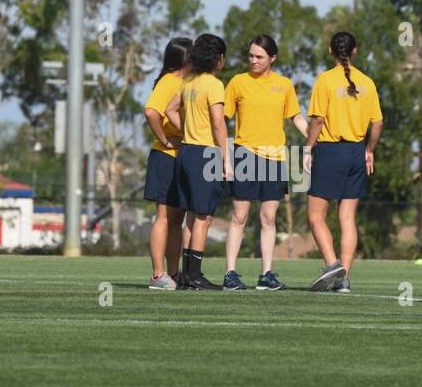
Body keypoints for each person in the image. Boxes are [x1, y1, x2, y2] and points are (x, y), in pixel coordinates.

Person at [222, 34, 307, 291]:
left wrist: (316, 140)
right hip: (244, 154)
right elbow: (221, 120)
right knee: (239, 216)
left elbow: (297, 118)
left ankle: (266, 274)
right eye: (251, 55)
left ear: (272, 58)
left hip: (277, 157)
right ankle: (230, 274)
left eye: (259, 56)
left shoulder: (284, 85)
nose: (254, 61)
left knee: (269, 218)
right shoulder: (237, 82)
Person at [304, 31, 383, 294]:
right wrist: (369, 150)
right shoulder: (368, 82)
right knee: (347, 217)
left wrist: (307, 149)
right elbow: (378, 122)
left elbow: (317, 120)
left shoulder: (325, 80)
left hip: (330, 151)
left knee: (315, 216)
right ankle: (344, 279)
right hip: (355, 153)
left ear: (330, 51)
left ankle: (331, 264)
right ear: (355, 51)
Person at [164, 33, 230, 290]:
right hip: (205, 153)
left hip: (187, 153)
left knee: (191, 217)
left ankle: (188, 276)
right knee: (204, 217)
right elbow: (218, 124)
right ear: (218, 58)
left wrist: (186, 130)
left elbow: (169, 110)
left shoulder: (189, 82)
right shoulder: (213, 85)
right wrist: (226, 160)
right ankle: (195, 276)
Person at [143, 36, 191, 290]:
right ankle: (157, 274)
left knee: (176, 219)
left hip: (180, 157)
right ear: (184, 60)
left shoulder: (185, 83)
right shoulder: (170, 81)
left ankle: (174, 272)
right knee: (163, 216)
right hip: (165, 156)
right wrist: (164, 139)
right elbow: (151, 111)